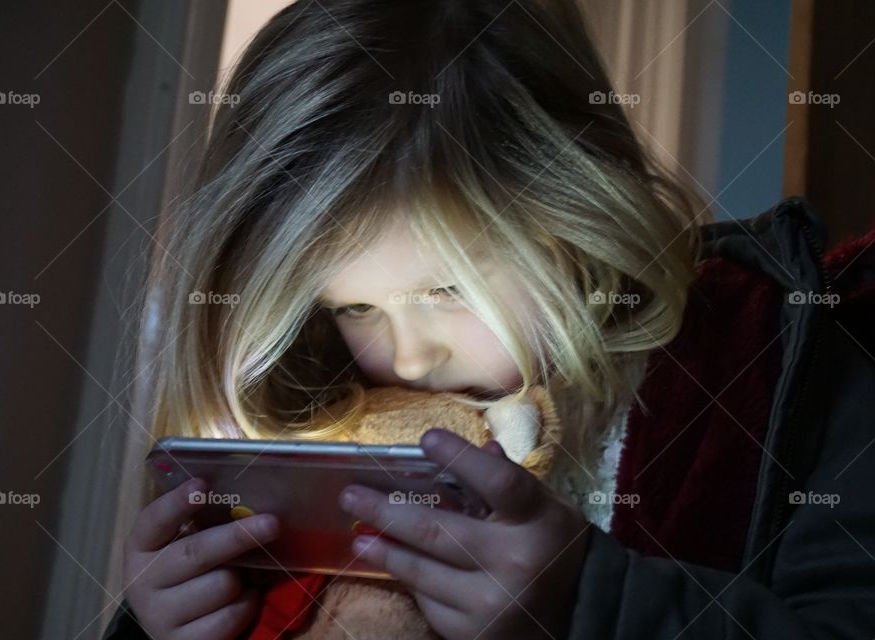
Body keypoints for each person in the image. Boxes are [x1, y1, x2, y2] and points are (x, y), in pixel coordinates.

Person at [103, 0, 875, 638]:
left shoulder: (787, 367)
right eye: (355, 308)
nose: (409, 358)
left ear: (578, 218)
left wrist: (588, 602)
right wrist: (158, 625)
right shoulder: (318, 437)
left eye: (447, 290)